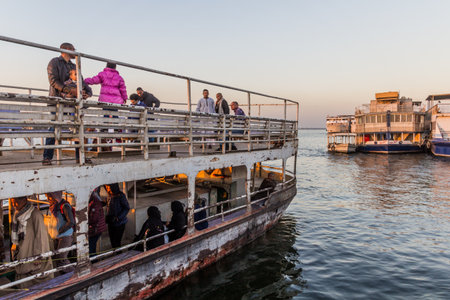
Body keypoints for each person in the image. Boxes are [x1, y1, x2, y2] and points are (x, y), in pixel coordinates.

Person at [43, 42, 91, 166]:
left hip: (72, 103)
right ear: (66, 49)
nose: (75, 51)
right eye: (73, 49)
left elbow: (82, 82)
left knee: (77, 128)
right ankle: (47, 157)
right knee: (54, 128)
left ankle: (79, 157)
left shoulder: (74, 65)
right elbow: (53, 81)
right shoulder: (54, 62)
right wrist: (70, 90)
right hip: (58, 100)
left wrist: (87, 93)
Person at [11, 196, 53, 288]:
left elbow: (41, 236)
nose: (14, 205)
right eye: (12, 202)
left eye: (16, 202)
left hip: (33, 251)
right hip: (23, 248)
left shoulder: (35, 214)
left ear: (25, 200)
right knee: (23, 270)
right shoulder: (17, 214)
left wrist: (39, 255)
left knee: (35, 272)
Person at [46, 191, 75, 273]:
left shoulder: (64, 206)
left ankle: (73, 273)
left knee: (61, 258)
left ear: (56, 196)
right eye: (47, 196)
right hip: (58, 236)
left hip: (65, 236)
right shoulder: (54, 206)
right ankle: (64, 275)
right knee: (58, 259)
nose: (49, 199)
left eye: (50, 196)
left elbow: (71, 222)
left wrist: (60, 230)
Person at [104, 183, 130, 248]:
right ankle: (115, 253)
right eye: (107, 187)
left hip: (119, 223)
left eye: (109, 187)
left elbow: (126, 208)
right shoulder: (109, 196)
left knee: (117, 242)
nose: (108, 189)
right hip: (111, 222)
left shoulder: (121, 196)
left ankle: (119, 255)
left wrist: (118, 217)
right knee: (112, 241)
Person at [88, 187, 107, 256]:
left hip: (96, 228)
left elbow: (94, 219)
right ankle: (94, 261)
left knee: (91, 248)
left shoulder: (94, 203)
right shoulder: (95, 201)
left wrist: (86, 222)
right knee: (92, 247)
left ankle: (93, 262)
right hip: (98, 228)